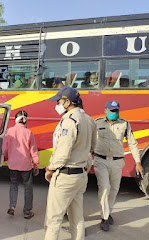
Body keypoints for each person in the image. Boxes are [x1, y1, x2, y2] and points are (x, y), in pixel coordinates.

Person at [44, 87, 97, 240]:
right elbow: (93, 147)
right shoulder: (89, 119)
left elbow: (63, 151)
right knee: (77, 218)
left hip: (66, 176)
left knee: (53, 220)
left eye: (59, 101)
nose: (57, 104)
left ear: (67, 102)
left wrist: (50, 169)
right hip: (80, 175)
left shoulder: (69, 120)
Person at [93, 100, 144, 231]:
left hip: (117, 161)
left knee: (114, 189)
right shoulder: (97, 122)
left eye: (116, 111)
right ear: (105, 110)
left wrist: (138, 162)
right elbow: (90, 140)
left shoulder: (124, 124)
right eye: (111, 111)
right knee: (104, 187)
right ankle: (104, 218)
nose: (114, 113)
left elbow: (132, 143)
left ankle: (107, 211)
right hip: (100, 160)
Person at [2, 110, 40, 219]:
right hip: (26, 165)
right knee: (28, 187)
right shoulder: (29, 133)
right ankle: (27, 212)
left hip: (13, 164)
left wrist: (6, 158)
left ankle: (12, 206)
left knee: (14, 184)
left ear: (15, 119)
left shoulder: (9, 131)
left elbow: (4, 149)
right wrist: (36, 165)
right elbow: (33, 151)